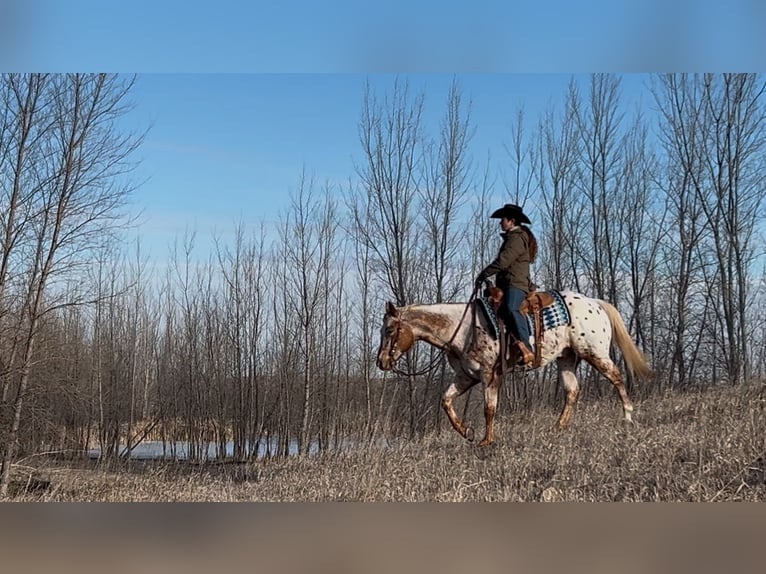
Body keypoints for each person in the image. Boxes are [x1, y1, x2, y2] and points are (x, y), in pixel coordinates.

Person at [475, 203, 538, 366]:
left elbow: (503, 261)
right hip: (508, 283)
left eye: (503, 219)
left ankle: (527, 347)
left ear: (512, 221)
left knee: (511, 308)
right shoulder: (513, 237)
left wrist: (484, 273)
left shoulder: (517, 239)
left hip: (516, 284)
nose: (500, 222)